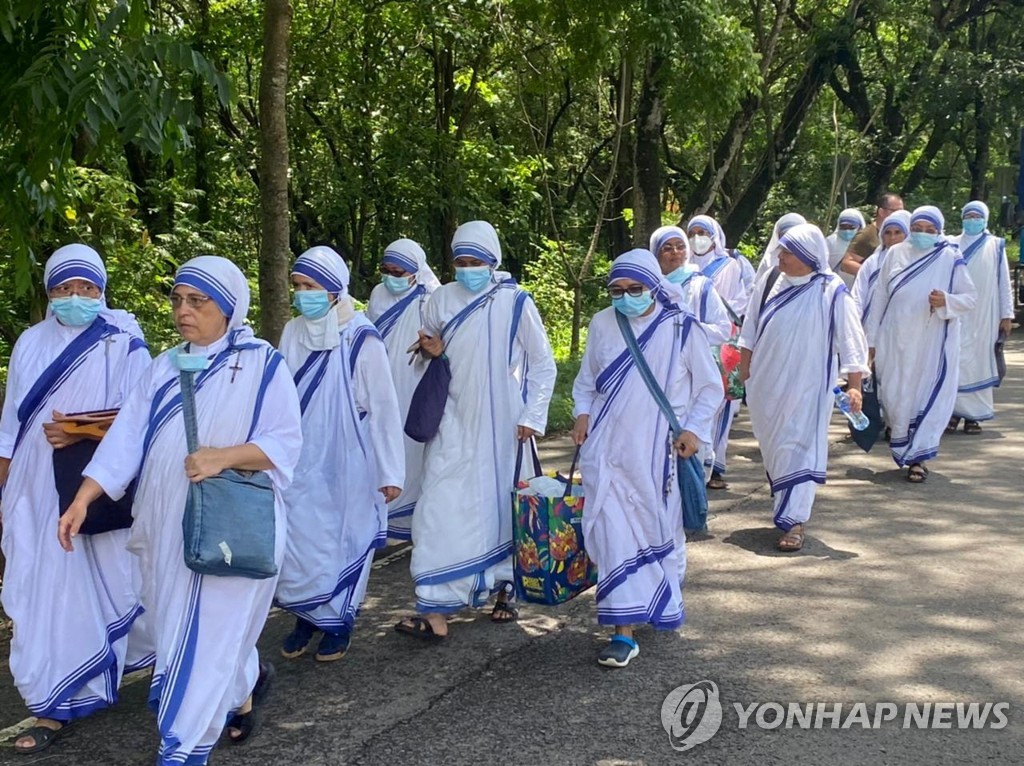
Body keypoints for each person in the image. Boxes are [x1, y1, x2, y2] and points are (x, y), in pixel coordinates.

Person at [58, 256, 303, 764]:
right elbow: (123, 443)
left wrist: (223, 457)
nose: (182, 311)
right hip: (169, 525)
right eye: (177, 300)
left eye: (198, 301)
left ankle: (183, 746)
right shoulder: (163, 366)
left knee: (208, 632)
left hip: (235, 526)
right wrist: (83, 498)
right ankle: (244, 685)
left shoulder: (263, 363)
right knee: (191, 631)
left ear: (229, 308)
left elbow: (284, 444)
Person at [0, 244, 151, 754]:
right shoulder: (29, 341)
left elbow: (143, 413)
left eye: (86, 287)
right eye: (64, 288)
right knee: (42, 583)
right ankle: (49, 701)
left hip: (99, 481)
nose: (76, 297)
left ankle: (184, 668)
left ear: (102, 290)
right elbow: (11, 425)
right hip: (35, 485)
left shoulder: (122, 338)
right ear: (49, 293)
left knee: (111, 576)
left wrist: (81, 432)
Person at [394, 221, 556, 640]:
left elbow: (542, 362)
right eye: (460, 262)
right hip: (453, 419)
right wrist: (433, 351)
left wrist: (532, 417)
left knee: (501, 509)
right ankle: (434, 605)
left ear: (492, 261)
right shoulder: (441, 300)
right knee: (438, 507)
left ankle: (505, 589)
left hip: (505, 425)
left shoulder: (515, 301)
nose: (467, 269)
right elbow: (429, 354)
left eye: (475, 262)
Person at [570, 248, 722, 667]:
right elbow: (586, 382)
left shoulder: (680, 328)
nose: (625, 297)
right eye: (616, 290)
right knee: (612, 531)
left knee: (658, 530)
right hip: (605, 450)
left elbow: (711, 388)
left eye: (635, 289)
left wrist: (693, 430)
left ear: (654, 286)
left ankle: (657, 598)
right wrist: (582, 415)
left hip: (657, 453)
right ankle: (623, 630)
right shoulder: (603, 322)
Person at [275, 246, 404, 662]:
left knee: (343, 537)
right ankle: (306, 615)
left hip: (348, 457)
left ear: (333, 290)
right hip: (299, 457)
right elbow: (279, 395)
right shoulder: (293, 331)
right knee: (301, 537)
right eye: (297, 286)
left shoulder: (362, 337)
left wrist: (390, 471)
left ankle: (338, 621)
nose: (301, 294)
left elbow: (384, 409)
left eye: (310, 286)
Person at [738, 224, 869, 552]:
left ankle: (794, 521)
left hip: (809, 389)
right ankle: (786, 505)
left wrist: (855, 387)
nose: (781, 257)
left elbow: (851, 341)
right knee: (775, 447)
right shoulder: (769, 281)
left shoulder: (832, 290)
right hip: (765, 386)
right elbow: (749, 330)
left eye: (789, 253)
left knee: (799, 446)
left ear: (810, 257)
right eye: (781, 251)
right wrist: (745, 371)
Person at [863, 206, 977, 482]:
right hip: (895, 339)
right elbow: (879, 298)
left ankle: (919, 458)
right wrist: (871, 341)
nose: (923, 234)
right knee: (894, 397)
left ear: (939, 232)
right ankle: (902, 443)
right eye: (918, 229)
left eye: (930, 230)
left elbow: (970, 298)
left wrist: (946, 301)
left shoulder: (950, 256)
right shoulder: (895, 254)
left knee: (927, 396)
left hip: (933, 342)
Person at [366, 239, 441, 540]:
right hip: (380, 383)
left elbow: (442, 343)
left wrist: (427, 348)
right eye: (386, 270)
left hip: (414, 384)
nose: (392, 277)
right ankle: (381, 521)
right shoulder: (377, 293)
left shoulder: (432, 298)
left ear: (415, 272)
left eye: (399, 271)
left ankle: (412, 523)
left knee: (412, 451)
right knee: (380, 445)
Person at [686, 215, 746, 489]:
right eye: (693, 232)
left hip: (718, 346)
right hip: (686, 348)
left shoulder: (728, 266)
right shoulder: (681, 267)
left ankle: (715, 465)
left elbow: (731, 306)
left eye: (703, 232)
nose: (697, 238)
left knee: (717, 407)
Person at [947, 201, 1015, 432]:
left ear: (985, 219)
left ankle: (973, 417)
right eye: (968, 215)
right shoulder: (951, 243)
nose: (972, 219)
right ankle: (953, 413)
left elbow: (1003, 282)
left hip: (985, 314)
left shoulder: (995, 245)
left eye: (977, 216)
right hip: (957, 311)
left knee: (979, 362)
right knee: (954, 361)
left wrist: (1006, 315)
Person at [649, 225, 732, 343]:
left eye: (680, 246)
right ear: (656, 254)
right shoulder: (648, 288)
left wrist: (685, 328)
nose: (675, 252)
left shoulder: (701, 285)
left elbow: (723, 330)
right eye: (667, 248)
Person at [851, 210, 911, 322]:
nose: (892, 237)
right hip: (870, 325)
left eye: (898, 232)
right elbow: (858, 295)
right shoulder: (872, 262)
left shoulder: (912, 263)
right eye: (888, 233)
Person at [839, 192, 905, 280]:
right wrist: (876, 276)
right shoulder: (867, 235)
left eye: (902, 211)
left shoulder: (905, 233)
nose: (900, 215)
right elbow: (847, 263)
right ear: (881, 212)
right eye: (896, 211)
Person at [755, 213, 807, 279]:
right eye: (783, 235)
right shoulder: (769, 259)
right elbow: (757, 286)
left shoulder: (810, 261)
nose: (787, 238)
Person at [825, 208, 866, 287]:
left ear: (859, 227)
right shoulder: (830, 241)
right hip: (833, 287)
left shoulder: (865, 243)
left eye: (851, 227)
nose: (847, 230)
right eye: (843, 227)